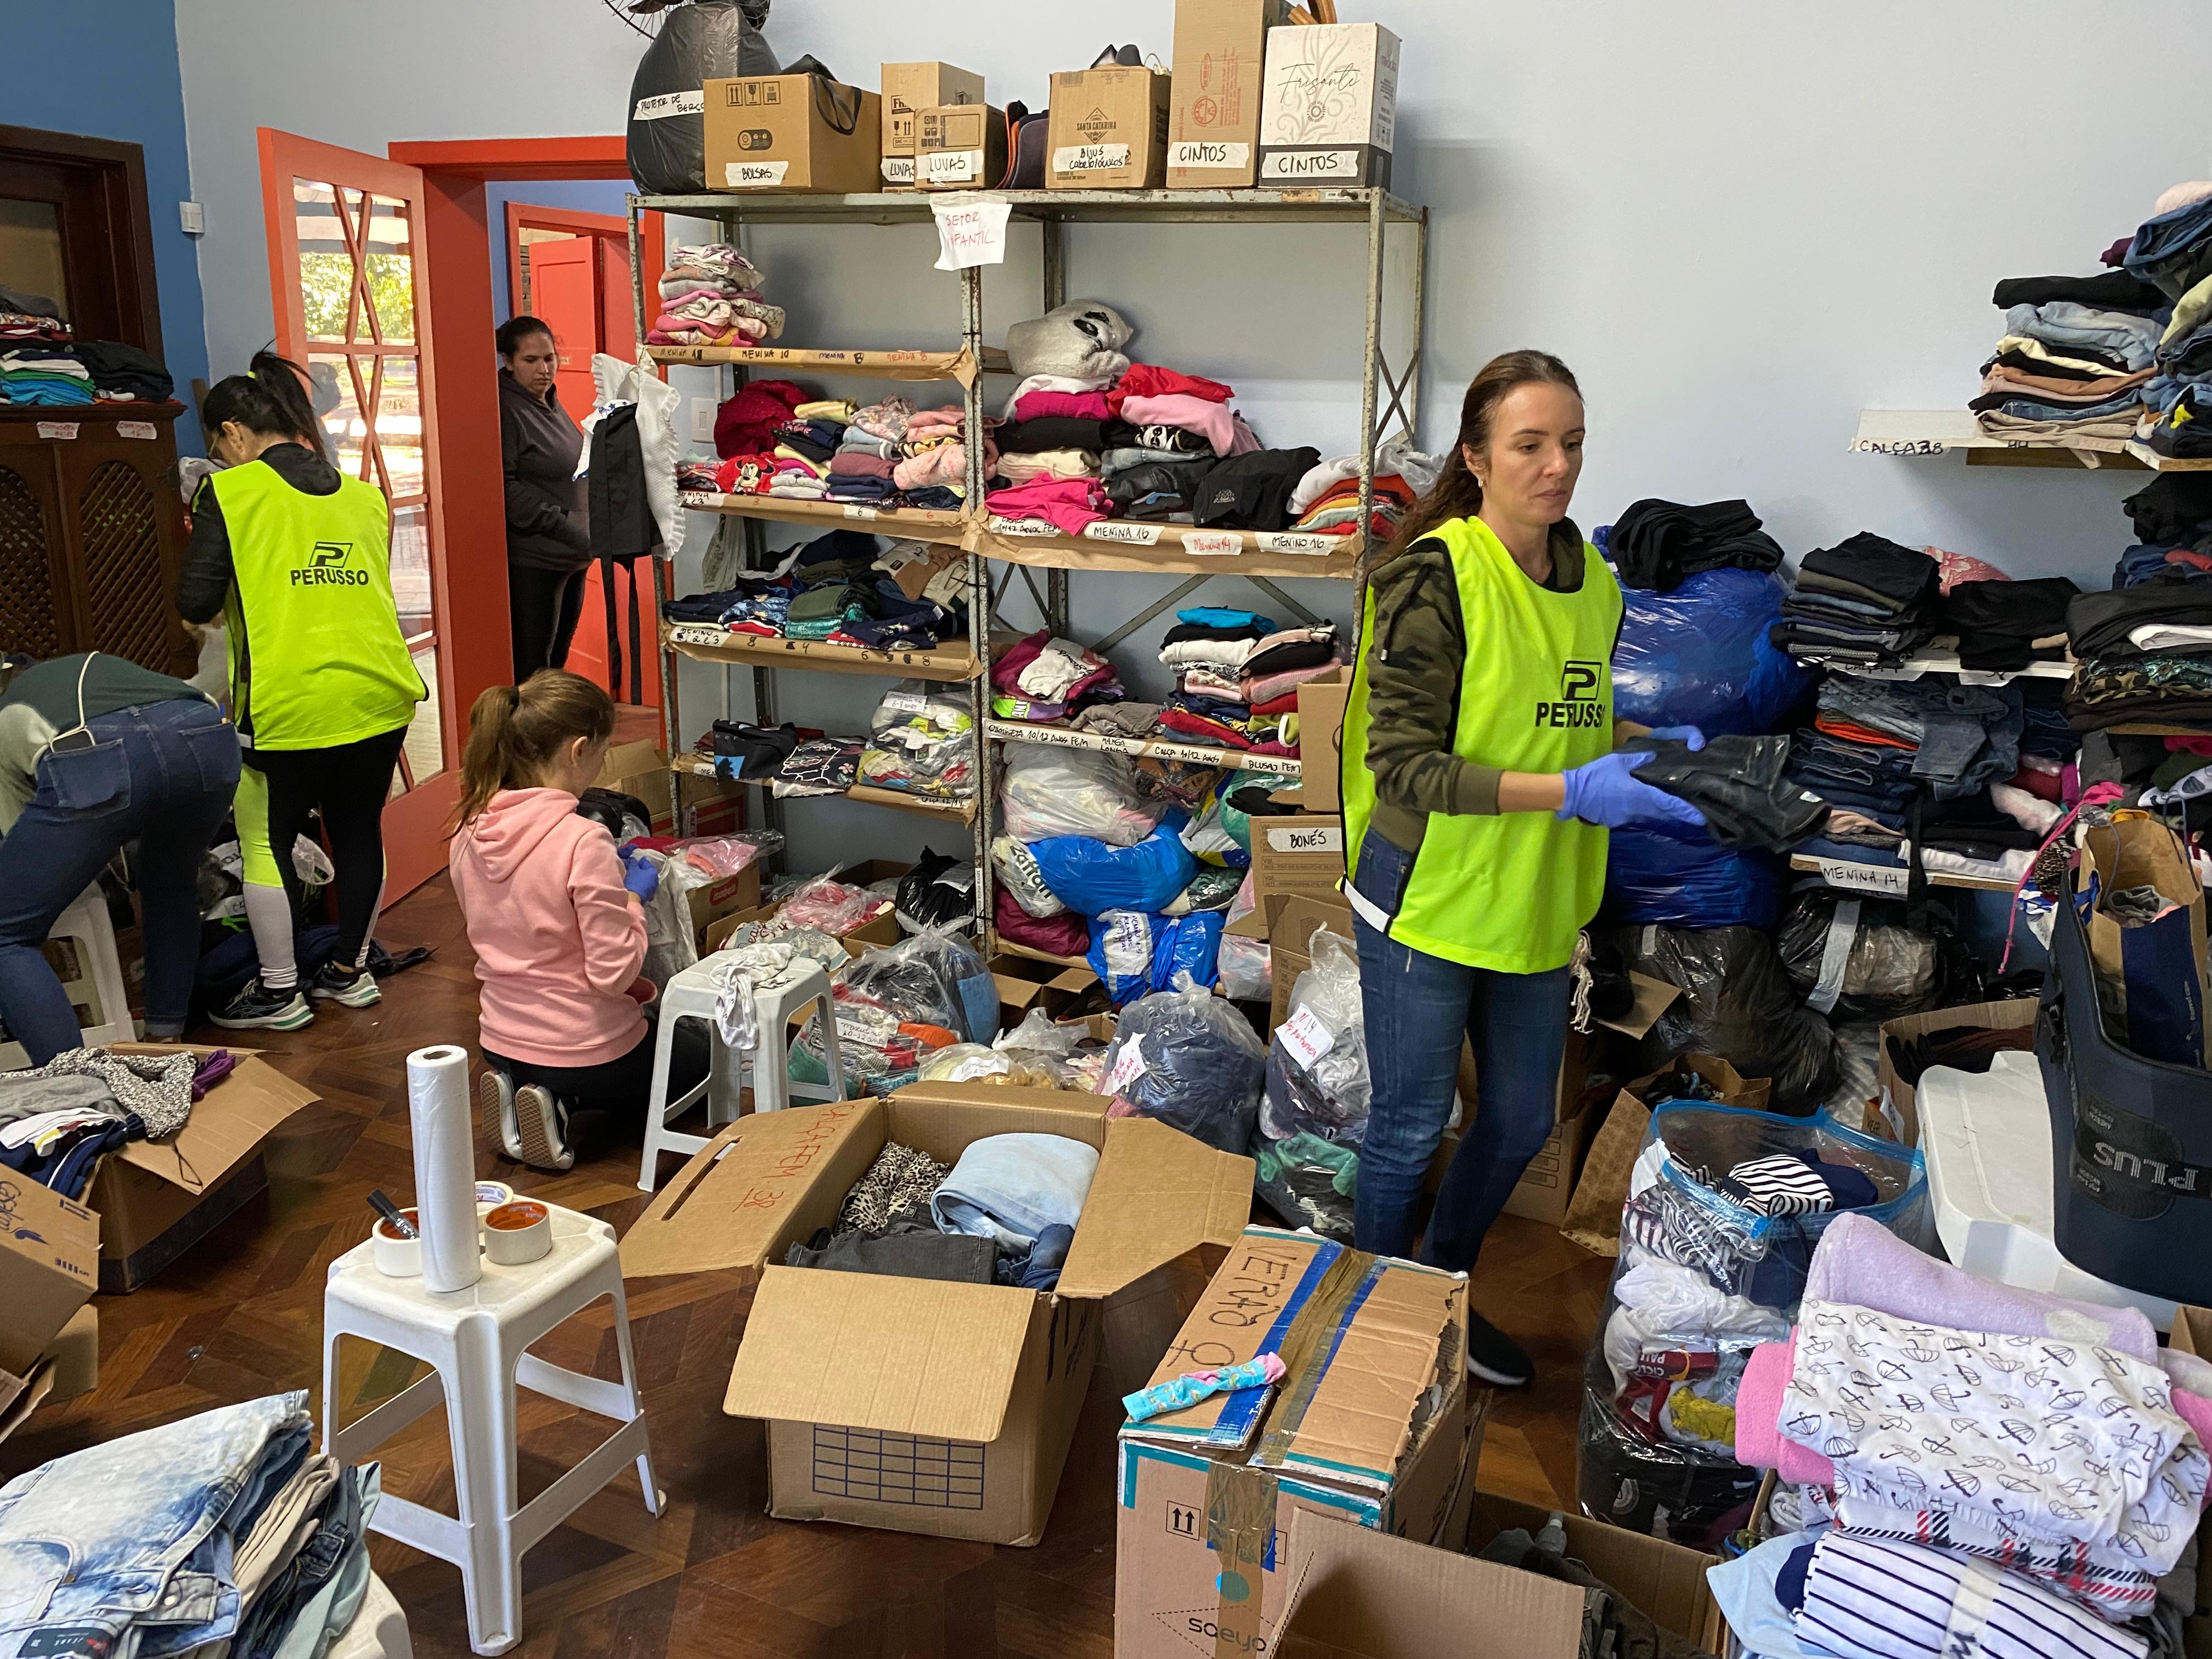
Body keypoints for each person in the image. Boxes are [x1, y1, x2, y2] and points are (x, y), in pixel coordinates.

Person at [1339, 351, 1707, 1387]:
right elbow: (1405, 767)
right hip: (1428, 891)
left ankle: (1437, 1291)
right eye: (1530, 445)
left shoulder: (1595, 584)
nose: (1557, 467)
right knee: (1410, 1125)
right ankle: (1374, 1332)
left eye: (1573, 444)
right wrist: (1573, 791)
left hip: (1537, 896)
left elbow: (1558, 714)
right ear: (1476, 456)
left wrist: (1647, 745)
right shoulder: (1433, 577)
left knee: (1518, 1119)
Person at [178, 351, 426, 1031]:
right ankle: (349, 974)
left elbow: (195, 601)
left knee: (266, 840)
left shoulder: (231, 493)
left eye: (218, 446)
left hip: (287, 705)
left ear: (232, 433)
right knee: (357, 831)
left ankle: (280, 991)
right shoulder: (365, 497)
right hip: (378, 694)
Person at [448, 670, 706, 1172]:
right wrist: (631, 899)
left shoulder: (468, 827)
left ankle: (526, 1088)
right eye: (604, 753)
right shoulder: (581, 841)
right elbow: (613, 975)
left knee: (616, 1049)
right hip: (585, 1048)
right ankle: (563, 1098)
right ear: (579, 750)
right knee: (702, 1061)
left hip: (498, 1037)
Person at [0, 653, 240, 1064]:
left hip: (98, 751)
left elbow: (14, 834)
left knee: (6, 933)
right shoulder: (90, 670)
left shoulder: (7, 717)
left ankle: (79, 1084)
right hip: (208, 734)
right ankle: (165, 1043)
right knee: (172, 885)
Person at [498, 316, 592, 679]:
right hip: (537, 561)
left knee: (556, 663)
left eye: (550, 358)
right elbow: (505, 487)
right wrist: (563, 524)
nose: (544, 369)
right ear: (508, 361)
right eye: (531, 360)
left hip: (573, 556)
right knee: (534, 671)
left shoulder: (549, 401)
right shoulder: (506, 407)